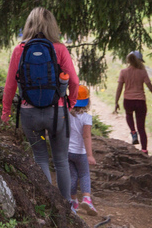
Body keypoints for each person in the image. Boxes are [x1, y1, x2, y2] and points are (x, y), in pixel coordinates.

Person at [2, 7, 80, 201]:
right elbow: (75, 82)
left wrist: (6, 112)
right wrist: (70, 103)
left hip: (29, 114)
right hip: (57, 113)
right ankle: (67, 206)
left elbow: (10, 85)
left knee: (41, 158)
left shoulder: (19, 50)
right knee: (61, 161)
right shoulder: (60, 49)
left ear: (28, 25)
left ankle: (51, 204)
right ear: (52, 26)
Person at [113, 50, 152, 154]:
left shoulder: (123, 72)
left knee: (129, 115)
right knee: (141, 127)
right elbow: (150, 87)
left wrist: (116, 102)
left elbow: (119, 89)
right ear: (139, 61)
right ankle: (144, 150)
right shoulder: (142, 72)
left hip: (128, 100)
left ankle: (133, 132)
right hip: (140, 101)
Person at [68, 85, 97, 215]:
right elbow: (86, 136)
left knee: (73, 176)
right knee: (84, 174)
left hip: (67, 152)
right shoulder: (86, 118)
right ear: (87, 101)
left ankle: (73, 201)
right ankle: (86, 198)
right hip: (80, 153)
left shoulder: (66, 114)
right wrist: (90, 155)